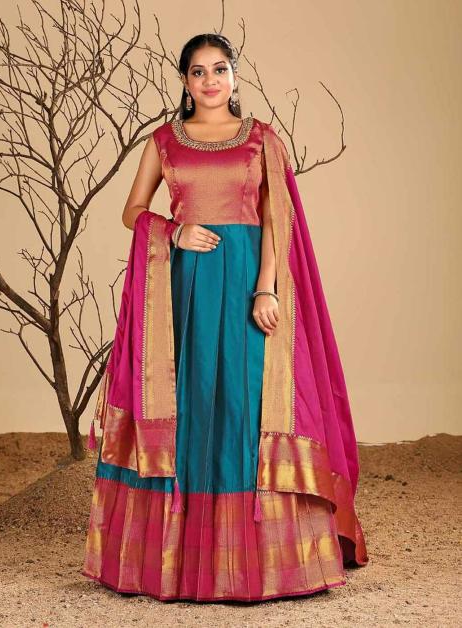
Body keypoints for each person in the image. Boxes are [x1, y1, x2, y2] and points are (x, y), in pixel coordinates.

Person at [82, 33, 368, 602]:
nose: (210, 81)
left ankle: (257, 561)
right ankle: (179, 562)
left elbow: (276, 218)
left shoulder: (262, 140)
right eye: (198, 71)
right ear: (184, 81)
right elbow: (132, 210)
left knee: (244, 406)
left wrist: (267, 289)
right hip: (183, 289)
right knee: (191, 405)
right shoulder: (164, 142)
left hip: (244, 284)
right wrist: (173, 231)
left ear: (235, 76)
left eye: (219, 69)